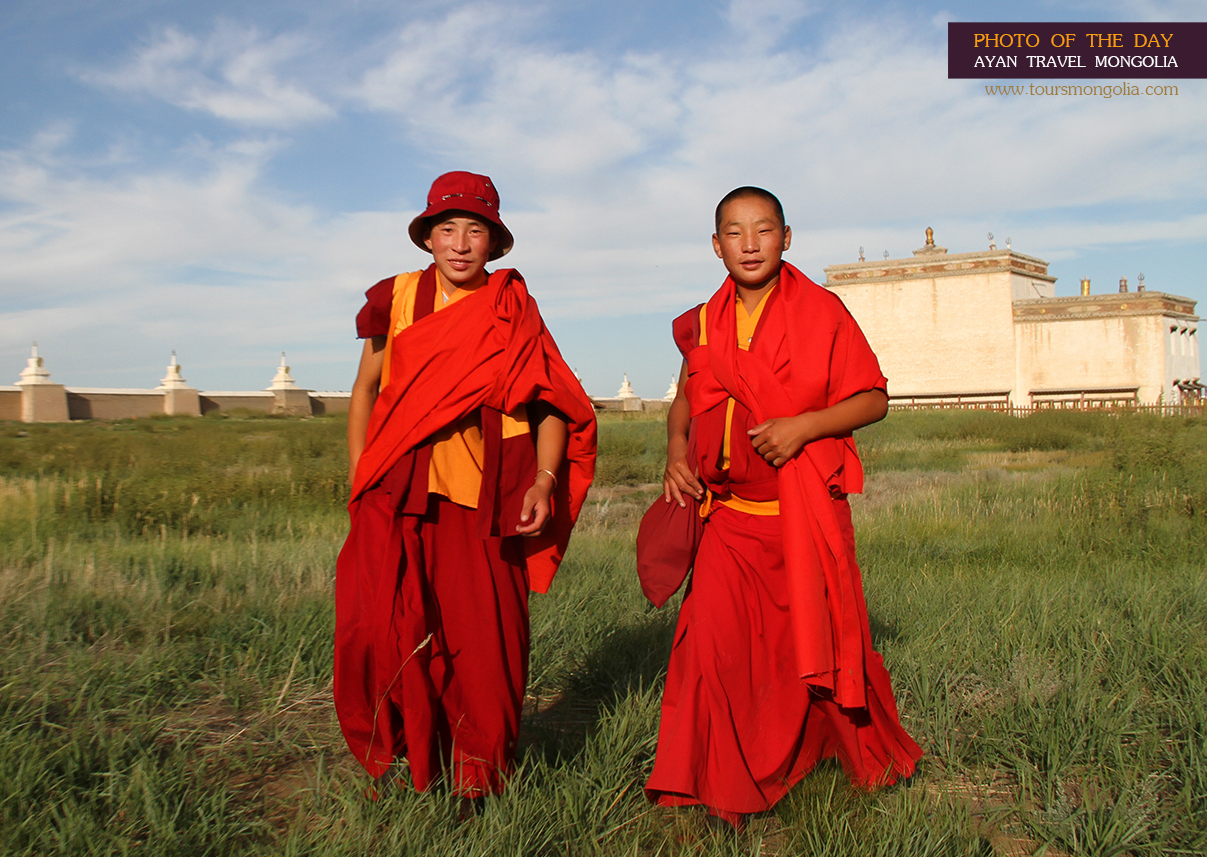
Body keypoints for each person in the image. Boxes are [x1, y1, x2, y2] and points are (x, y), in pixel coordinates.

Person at [644, 186, 922, 830]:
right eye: (734, 233)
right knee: (708, 647)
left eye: (763, 230)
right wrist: (675, 450)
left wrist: (806, 427)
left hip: (799, 520)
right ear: (715, 246)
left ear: (786, 237)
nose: (749, 244)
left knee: (808, 653)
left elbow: (874, 398)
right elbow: (687, 396)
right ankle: (717, 787)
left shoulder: (822, 312)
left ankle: (830, 751)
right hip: (727, 519)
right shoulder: (704, 321)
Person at [333, 171, 596, 803]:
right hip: (399, 487)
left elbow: (552, 404)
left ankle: (479, 776)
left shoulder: (512, 307)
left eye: (474, 230)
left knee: (484, 638)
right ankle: (402, 757)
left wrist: (545, 477)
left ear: (495, 242)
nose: (459, 243)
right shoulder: (396, 299)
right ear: (426, 237)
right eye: (446, 229)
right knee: (381, 626)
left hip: (488, 494)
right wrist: (361, 474)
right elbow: (365, 390)